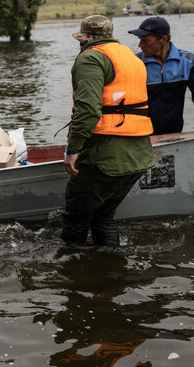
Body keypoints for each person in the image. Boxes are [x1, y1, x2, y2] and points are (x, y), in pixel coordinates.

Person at [62, 15, 154, 246]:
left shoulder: (91, 58)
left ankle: (71, 271)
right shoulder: (131, 57)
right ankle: (111, 269)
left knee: (76, 219)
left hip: (104, 156)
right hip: (139, 155)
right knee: (104, 217)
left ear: (83, 40)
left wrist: (73, 149)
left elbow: (88, 109)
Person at [128, 16, 194, 135]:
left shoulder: (188, 61)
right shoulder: (133, 63)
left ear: (163, 39)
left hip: (174, 134)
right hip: (140, 135)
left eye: (145, 40)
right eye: (140, 39)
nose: (140, 45)